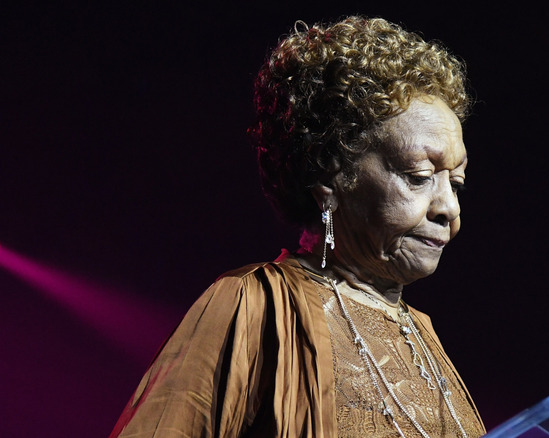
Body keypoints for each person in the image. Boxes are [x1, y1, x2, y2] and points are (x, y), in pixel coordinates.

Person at [110, 16, 485, 438]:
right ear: (332, 178)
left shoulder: (423, 339)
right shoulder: (253, 304)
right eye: (418, 176)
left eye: (456, 183)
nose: (449, 208)